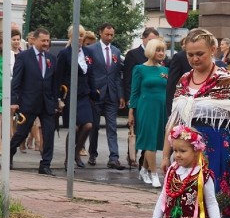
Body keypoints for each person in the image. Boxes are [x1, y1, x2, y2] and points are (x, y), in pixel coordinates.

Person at [165, 28, 230, 218]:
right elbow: (174, 119)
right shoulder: (184, 80)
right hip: (188, 151)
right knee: (189, 201)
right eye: (190, 55)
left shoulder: (224, 80)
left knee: (215, 198)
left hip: (218, 150)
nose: (195, 59)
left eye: (200, 54)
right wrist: (165, 155)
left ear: (213, 50)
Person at [10, 27, 58, 176]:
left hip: (47, 103)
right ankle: (9, 154)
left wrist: (56, 101)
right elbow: (16, 81)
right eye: (43, 40)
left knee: (49, 134)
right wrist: (14, 100)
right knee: (22, 133)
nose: (46, 43)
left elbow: (54, 82)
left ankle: (45, 165)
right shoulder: (24, 57)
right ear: (35, 40)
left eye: (47, 40)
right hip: (28, 102)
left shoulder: (51, 58)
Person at [84, 23, 125, 169]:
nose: (109, 37)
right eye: (107, 34)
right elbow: (88, 72)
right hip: (96, 93)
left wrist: (121, 95)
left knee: (112, 126)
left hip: (111, 94)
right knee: (94, 126)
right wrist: (93, 89)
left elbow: (116, 75)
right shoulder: (91, 49)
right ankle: (92, 154)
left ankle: (114, 157)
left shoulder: (116, 51)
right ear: (100, 33)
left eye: (111, 35)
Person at [55, 25, 95, 169]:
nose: (80, 38)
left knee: (88, 125)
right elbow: (58, 77)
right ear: (71, 36)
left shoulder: (88, 53)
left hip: (84, 95)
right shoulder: (65, 53)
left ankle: (77, 152)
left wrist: (94, 91)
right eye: (77, 35)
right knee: (75, 128)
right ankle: (68, 159)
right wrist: (58, 99)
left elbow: (91, 74)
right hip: (70, 95)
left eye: (82, 35)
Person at [129, 37, 168, 187]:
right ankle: (154, 174)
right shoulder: (140, 69)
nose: (161, 53)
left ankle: (144, 170)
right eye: (158, 50)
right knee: (149, 140)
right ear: (151, 50)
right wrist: (131, 112)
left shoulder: (165, 70)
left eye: (163, 50)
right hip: (145, 108)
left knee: (154, 141)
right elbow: (134, 92)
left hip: (161, 109)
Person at [123, 27, 160, 168]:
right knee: (135, 129)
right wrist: (129, 99)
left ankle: (143, 160)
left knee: (148, 131)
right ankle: (132, 154)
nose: (153, 43)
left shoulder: (160, 58)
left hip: (152, 102)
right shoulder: (133, 55)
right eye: (150, 40)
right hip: (138, 98)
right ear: (144, 39)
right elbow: (128, 79)